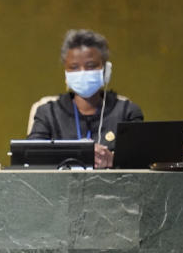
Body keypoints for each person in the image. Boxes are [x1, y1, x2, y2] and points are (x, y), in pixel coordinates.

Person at [28, 29, 143, 168]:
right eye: (74, 67)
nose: (82, 72)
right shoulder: (47, 112)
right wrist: (78, 153)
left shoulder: (127, 112)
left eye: (91, 66)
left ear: (106, 70)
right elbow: (31, 157)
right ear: (66, 72)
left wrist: (114, 159)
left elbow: (141, 162)